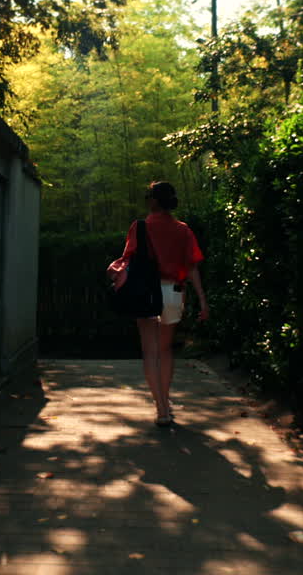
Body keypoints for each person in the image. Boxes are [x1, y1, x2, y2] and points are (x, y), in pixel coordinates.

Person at [110, 181, 208, 426]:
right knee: (165, 350)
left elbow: (128, 259)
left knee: (150, 351)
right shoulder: (183, 230)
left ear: (153, 200)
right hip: (173, 293)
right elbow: (192, 267)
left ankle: (161, 408)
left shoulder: (140, 227)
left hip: (146, 293)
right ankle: (166, 400)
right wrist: (203, 301)